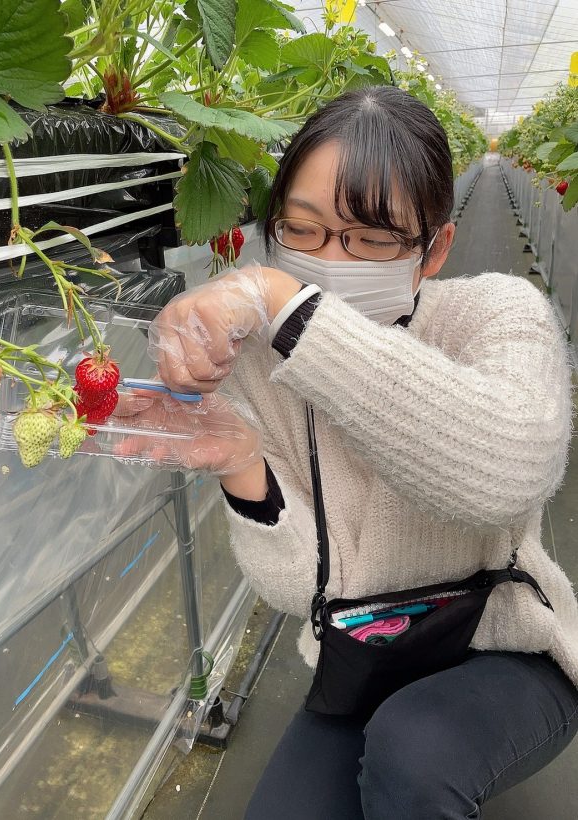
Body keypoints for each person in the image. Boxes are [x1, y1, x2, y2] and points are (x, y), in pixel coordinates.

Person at [135, 86, 578, 819]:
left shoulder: (496, 313)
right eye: (301, 230)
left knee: (416, 754)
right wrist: (243, 464)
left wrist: (285, 304)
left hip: (506, 645)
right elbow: (300, 586)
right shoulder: (258, 367)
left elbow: (509, 467)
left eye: (371, 239)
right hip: (366, 656)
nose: (327, 260)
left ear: (435, 248)